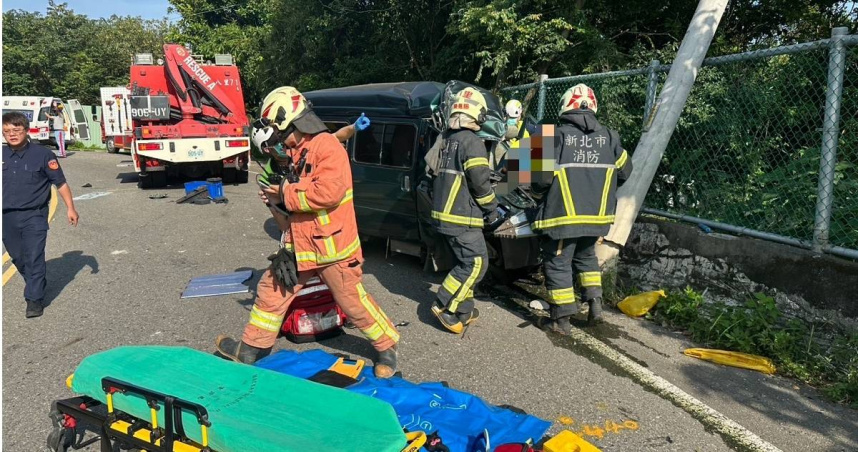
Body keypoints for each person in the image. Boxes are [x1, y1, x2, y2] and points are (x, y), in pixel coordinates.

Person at [215, 87, 401, 378]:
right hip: (301, 245)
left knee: (352, 302)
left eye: (281, 135)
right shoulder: (296, 151)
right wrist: (276, 202)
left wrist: (283, 192)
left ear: (295, 123)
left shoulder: (327, 147)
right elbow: (296, 202)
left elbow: (327, 193)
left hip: (334, 249)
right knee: (270, 290)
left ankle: (386, 346)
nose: (280, 144)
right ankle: (252, 348)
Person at [531, 84, 633, 333]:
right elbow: (625, 172)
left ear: (566, 105)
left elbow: (539, 180)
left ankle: (561, 320)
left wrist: (536, 196)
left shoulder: (551, 135)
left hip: (562, 217)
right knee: (586, 257)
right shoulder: (610, 137)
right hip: (597, 218)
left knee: (558, 262)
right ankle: (595, 306)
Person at [429, 88, 498, 334]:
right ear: (477, 115)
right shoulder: (472, 142)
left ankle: (464, 310)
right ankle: (445, 304)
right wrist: (492, 210)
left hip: (443, 215)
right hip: (462, 217)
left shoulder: (445, 139)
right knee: (477, 263)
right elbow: (480, 183)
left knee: (465, 261)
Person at [2, 111, 79, 318]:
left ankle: (34, 299)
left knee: (34, 256)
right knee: (18, 256)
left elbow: (60, 183)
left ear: (26, 131)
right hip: (6, 216)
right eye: (7, 130)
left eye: (16, 130)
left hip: (34, 215)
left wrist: (70, 208)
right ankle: (36, 281)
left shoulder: (43, 155)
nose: (12, 134)